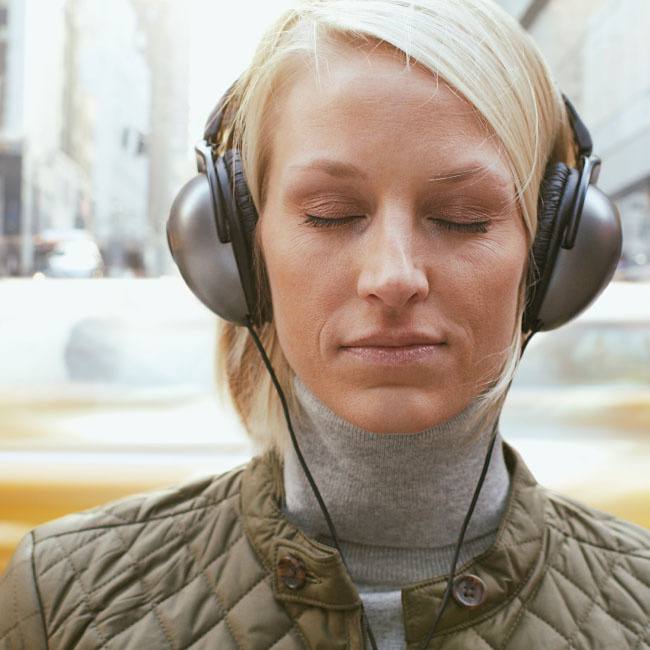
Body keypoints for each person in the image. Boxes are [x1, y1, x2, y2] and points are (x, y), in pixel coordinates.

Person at [1, 0, 648, 648]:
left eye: (461, 216)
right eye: (332, 213)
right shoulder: (63, 602)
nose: (393, 277)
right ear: (240, 252)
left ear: (554, 256)